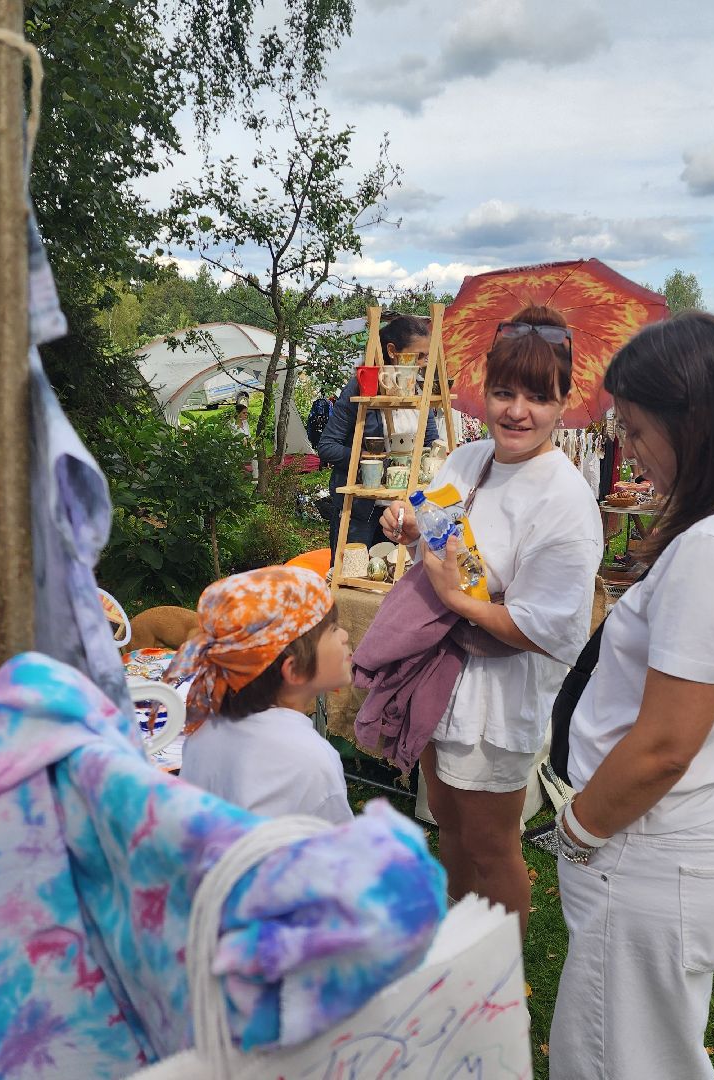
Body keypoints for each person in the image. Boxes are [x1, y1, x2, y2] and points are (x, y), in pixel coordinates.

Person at [549, 313, 714, 1079]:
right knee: (651, 1044)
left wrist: (579, 825)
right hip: (697, 827)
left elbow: (665, 745)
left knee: (616, 1057)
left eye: (634, 430)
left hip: (653, 841)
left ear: (694, 423)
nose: (627, 449)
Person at [377, 304, 601, 935]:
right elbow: (441, 523)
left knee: (491, 844)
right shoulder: (468, 460)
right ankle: (455, 935)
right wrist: (407, 519)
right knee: (444, 817)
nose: (516, 412)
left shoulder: (565, 502)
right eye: (504, 393)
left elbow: (546, 628)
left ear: (564, 400)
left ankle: (495, 979)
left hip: (500, 697)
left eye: (537, 396)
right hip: (441, 678)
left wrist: (459, 603)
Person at [170, 565, 355, 825]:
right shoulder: (313, 762)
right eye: (333, 629)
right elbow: (338, 850)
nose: (345, 635)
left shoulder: (204, 726)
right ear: (295, 670)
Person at [317, 315, 436, 555]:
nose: (424, 363)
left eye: (427, 356)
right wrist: (369, 460)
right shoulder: (362, 389)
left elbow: (431, 443)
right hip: (361, 511)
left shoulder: (419, 390)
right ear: (392, 351)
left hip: (404, 510)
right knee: (354, 579)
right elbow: (327, 446)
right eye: (419, 355)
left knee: (398, 581)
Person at [231, 402, 258, 479]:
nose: (246, 415)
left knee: (254, 452)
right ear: (237, 413)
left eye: (247, 413)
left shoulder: (245, 423)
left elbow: (248, 436)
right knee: (253, 453)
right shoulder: (232, 425)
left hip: (246, 447)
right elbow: (233, 439)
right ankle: (252, 475)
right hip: (236, 449)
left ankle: (256, 477)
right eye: (244, 413)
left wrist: (251, 442)